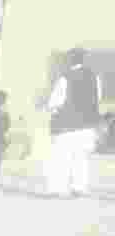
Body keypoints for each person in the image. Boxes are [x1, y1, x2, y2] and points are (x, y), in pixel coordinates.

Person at [46, 47, 103, 198]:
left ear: (70, 60)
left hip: (66, 124)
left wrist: (52, 112)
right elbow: (97, 99)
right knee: (81, 158)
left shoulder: (65, 77)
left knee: (62, 157)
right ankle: (79, 187)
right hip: (87, 125)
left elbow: (54, 103)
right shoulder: (94, 77)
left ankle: (58, 189)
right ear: (83, 59)